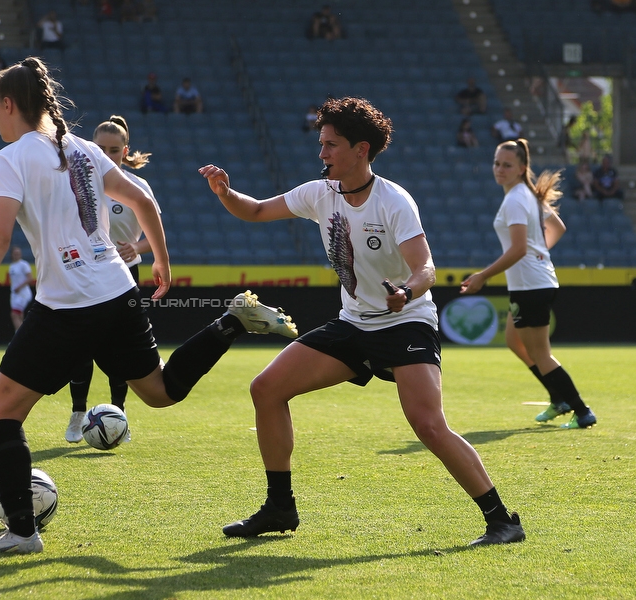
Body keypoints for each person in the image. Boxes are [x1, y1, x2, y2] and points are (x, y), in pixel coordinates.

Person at [0, 56, 297, 554]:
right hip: (118, 290)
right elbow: (145, 201)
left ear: (9, 105)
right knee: (159, 390)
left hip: (67, 303)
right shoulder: (85, 150)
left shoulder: (9, 160)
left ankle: (23, 533)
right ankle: (229, 321)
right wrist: (161, 261)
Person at [199, 96, 525, 546]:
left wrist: (406, 292)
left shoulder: (394, 202)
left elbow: (426, 268)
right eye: (321, 144)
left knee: (428, 424)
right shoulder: (320, 193)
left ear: (361, 150)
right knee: (266, 388)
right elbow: (254, 210)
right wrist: (225, 193)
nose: (322, 153)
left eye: (331, 145)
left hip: (406, 322)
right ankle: (280, 508)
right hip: (354, 324)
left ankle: (502, 520)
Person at [460, 139, 595, 429]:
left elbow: (519, 249)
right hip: (532, 282)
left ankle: (581, 410)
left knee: (540, 354)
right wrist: (539, 251)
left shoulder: (516, 199)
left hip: (531, 285)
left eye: (507, 165)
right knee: (513, 340)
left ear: (522, 168)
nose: (499, 169)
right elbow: (557, 227)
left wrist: (482, 276)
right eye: (497, 163)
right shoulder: (526, 195)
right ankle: (558, 399)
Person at [65, 115, 160, 442]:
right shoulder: (74, 182)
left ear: (125, 151)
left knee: (121, 349)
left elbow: (155, 236)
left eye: (114, 150)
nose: (107, 155)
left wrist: (136, 247)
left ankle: (117, 415)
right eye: (101, 148)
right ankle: (78, 414)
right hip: (83, 274)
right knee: (79, 347)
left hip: (123, 276)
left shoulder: (138, 188)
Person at [8, 245, 34, 331]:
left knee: (14, 314)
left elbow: (30, 278)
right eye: (15, 253)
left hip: (23, 293)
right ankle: (23, 337)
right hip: (15, 294)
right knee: (19, 314)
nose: (17, 255)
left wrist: (19, 287)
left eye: (18, 253)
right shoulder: (11, 266)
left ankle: (18, 337)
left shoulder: (24, 264)